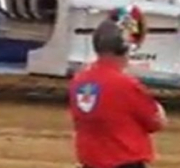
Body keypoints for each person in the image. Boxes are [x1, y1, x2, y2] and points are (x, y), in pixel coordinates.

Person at [70, 17, 167, 168]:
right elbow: (156, 122)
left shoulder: (79, 80)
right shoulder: (126, 84)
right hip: (124, 162)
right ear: (125, 49)